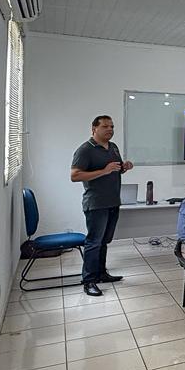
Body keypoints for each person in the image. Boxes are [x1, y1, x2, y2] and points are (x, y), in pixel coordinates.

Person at [69, 115, 134, 296]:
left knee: (104, 241)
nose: (110, 130)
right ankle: (88, 281)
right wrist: (104, 171)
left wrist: (124, 167)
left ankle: (101, 273)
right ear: (94, 129)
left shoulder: (113, 147)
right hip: (96, 203)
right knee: (94, 242)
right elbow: (75, 175)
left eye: (112, 126)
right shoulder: (85, 150)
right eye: (105, 126)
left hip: (113, 201)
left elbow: (115, 169)